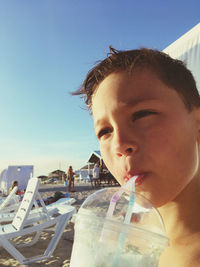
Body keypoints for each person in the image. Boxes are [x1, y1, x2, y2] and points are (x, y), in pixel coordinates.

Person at [73, 46, 200, 266]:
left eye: (142, 114)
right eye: (105, 131)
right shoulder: (115, 236)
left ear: (197, 124)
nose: (119, 145)